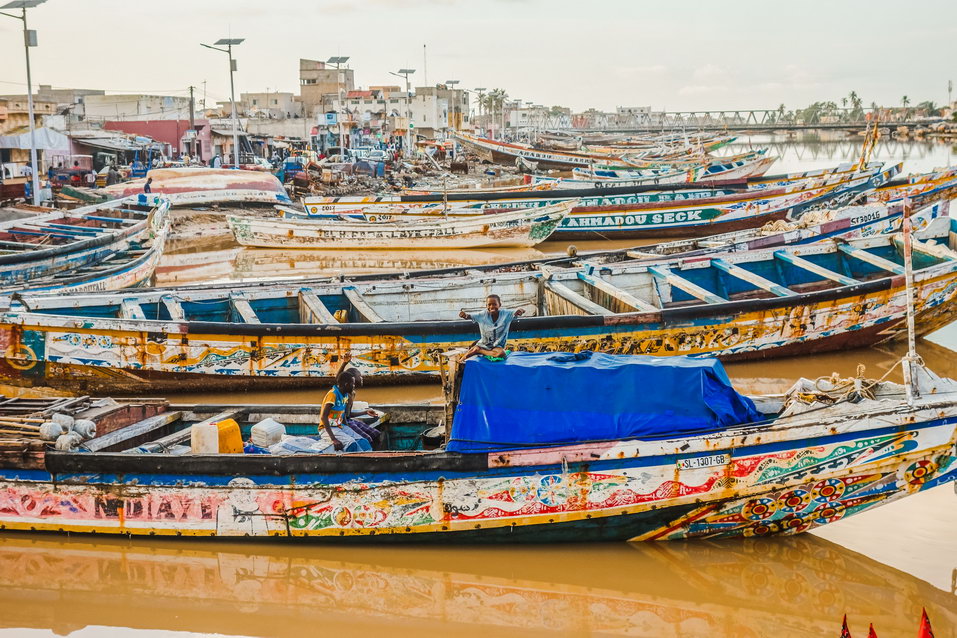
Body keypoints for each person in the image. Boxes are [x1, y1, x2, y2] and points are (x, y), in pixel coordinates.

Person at [458, 294, 525, 359]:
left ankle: (479, 351)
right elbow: (469, 316)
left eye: (494, 304)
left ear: (500, 305)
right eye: (489, 304)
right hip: (483, 345)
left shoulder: (506, 314)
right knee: (465, 357)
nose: (492, 307)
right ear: (486, 306)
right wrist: (464, 315)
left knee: (501, 354)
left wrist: (520, 311)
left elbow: (518, 311)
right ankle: (469, 355)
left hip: (497, 346)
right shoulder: (482, 315)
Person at [334, 352, 381, 445]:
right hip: (343, 424)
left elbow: (348, 414)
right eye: (360, 376)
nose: (362, 378)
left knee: (376, 434)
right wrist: (344, 363)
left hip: (349, 421)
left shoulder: (353, 393)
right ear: (353, 379)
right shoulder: (344, 392)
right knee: (367, 439)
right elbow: (338, 379)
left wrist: (365, 412)